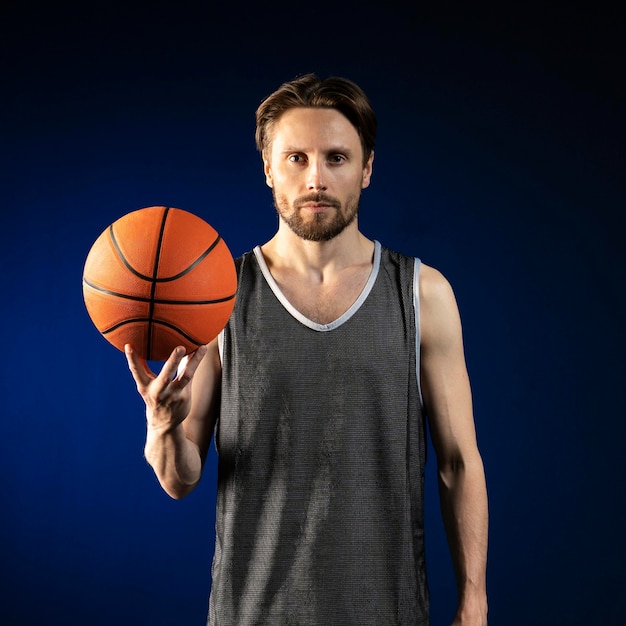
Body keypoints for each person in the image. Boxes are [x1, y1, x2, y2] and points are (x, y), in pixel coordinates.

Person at [125, 74, 488, 625]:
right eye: (296, 157)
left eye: (337, 158)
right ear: (269, 169)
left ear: (366, 169)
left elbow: (459, 464)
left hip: (388, 613)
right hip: (251, 613)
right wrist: (164, 428)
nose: (316, 178)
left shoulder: (422, 293)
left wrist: (474, 600)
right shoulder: (218, 298)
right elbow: (180, 480)